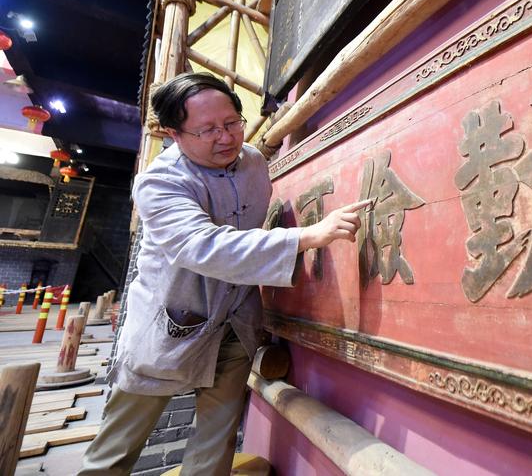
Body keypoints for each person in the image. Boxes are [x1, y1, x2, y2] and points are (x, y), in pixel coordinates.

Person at [78, 72, 370, 475]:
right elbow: (203, 246)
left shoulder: (253, 162)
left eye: (232, 122)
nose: (226, 137)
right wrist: (305, 237)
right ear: (174, 134)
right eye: (208, 130)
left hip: (235, 321)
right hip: (171, 324)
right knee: (118, 447)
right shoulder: (159, 183)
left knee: (214, 445)